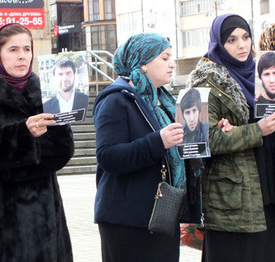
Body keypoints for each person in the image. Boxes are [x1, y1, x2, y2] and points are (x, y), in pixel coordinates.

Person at [0, 23, 74, 261]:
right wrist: (23, 133)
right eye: (13, 49)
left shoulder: (47, 92)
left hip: (43, 216)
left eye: (27, 49)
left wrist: (0, 147)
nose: (22, 56)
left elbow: (63, 148)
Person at [186, 13, 275, 262]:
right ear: (218, 43)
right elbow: (197, 141)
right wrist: (256, 130)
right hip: (232, 203)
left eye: (245, 37)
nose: (242, 45)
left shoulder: (261, 74)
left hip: (267, 192)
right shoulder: (203, 81)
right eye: (232, 40)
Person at [92, 33, 202, 262]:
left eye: (171, 57)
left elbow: (182, 150)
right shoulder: (116, 99)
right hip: (128, 221)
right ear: (143, 62)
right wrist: (158, 141)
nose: (171, 63)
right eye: (164, 58)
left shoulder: (165, 101)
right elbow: (108, 156)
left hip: (163, 214)